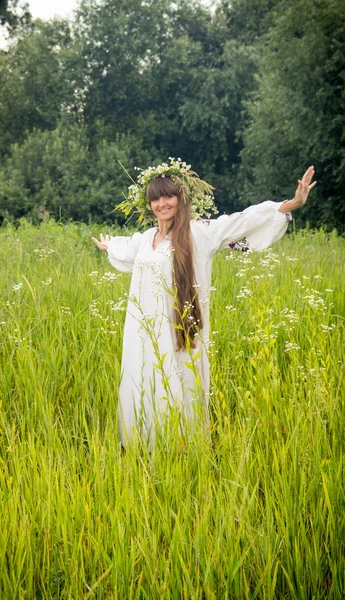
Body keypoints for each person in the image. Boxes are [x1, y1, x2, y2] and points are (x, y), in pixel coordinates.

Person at [91, 159, 316, 447]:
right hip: (143, 330)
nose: (162, 203)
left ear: (181, 198)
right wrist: (109, 246)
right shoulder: (148, 238)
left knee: (181, 382)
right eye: (156, 198)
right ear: (149, 204)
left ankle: (181, 448)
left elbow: (241, 220)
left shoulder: (199, 233)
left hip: (180, 329)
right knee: (143, 377)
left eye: (169, 195)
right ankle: (142, 443)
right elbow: (127, 249)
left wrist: (289, 205)